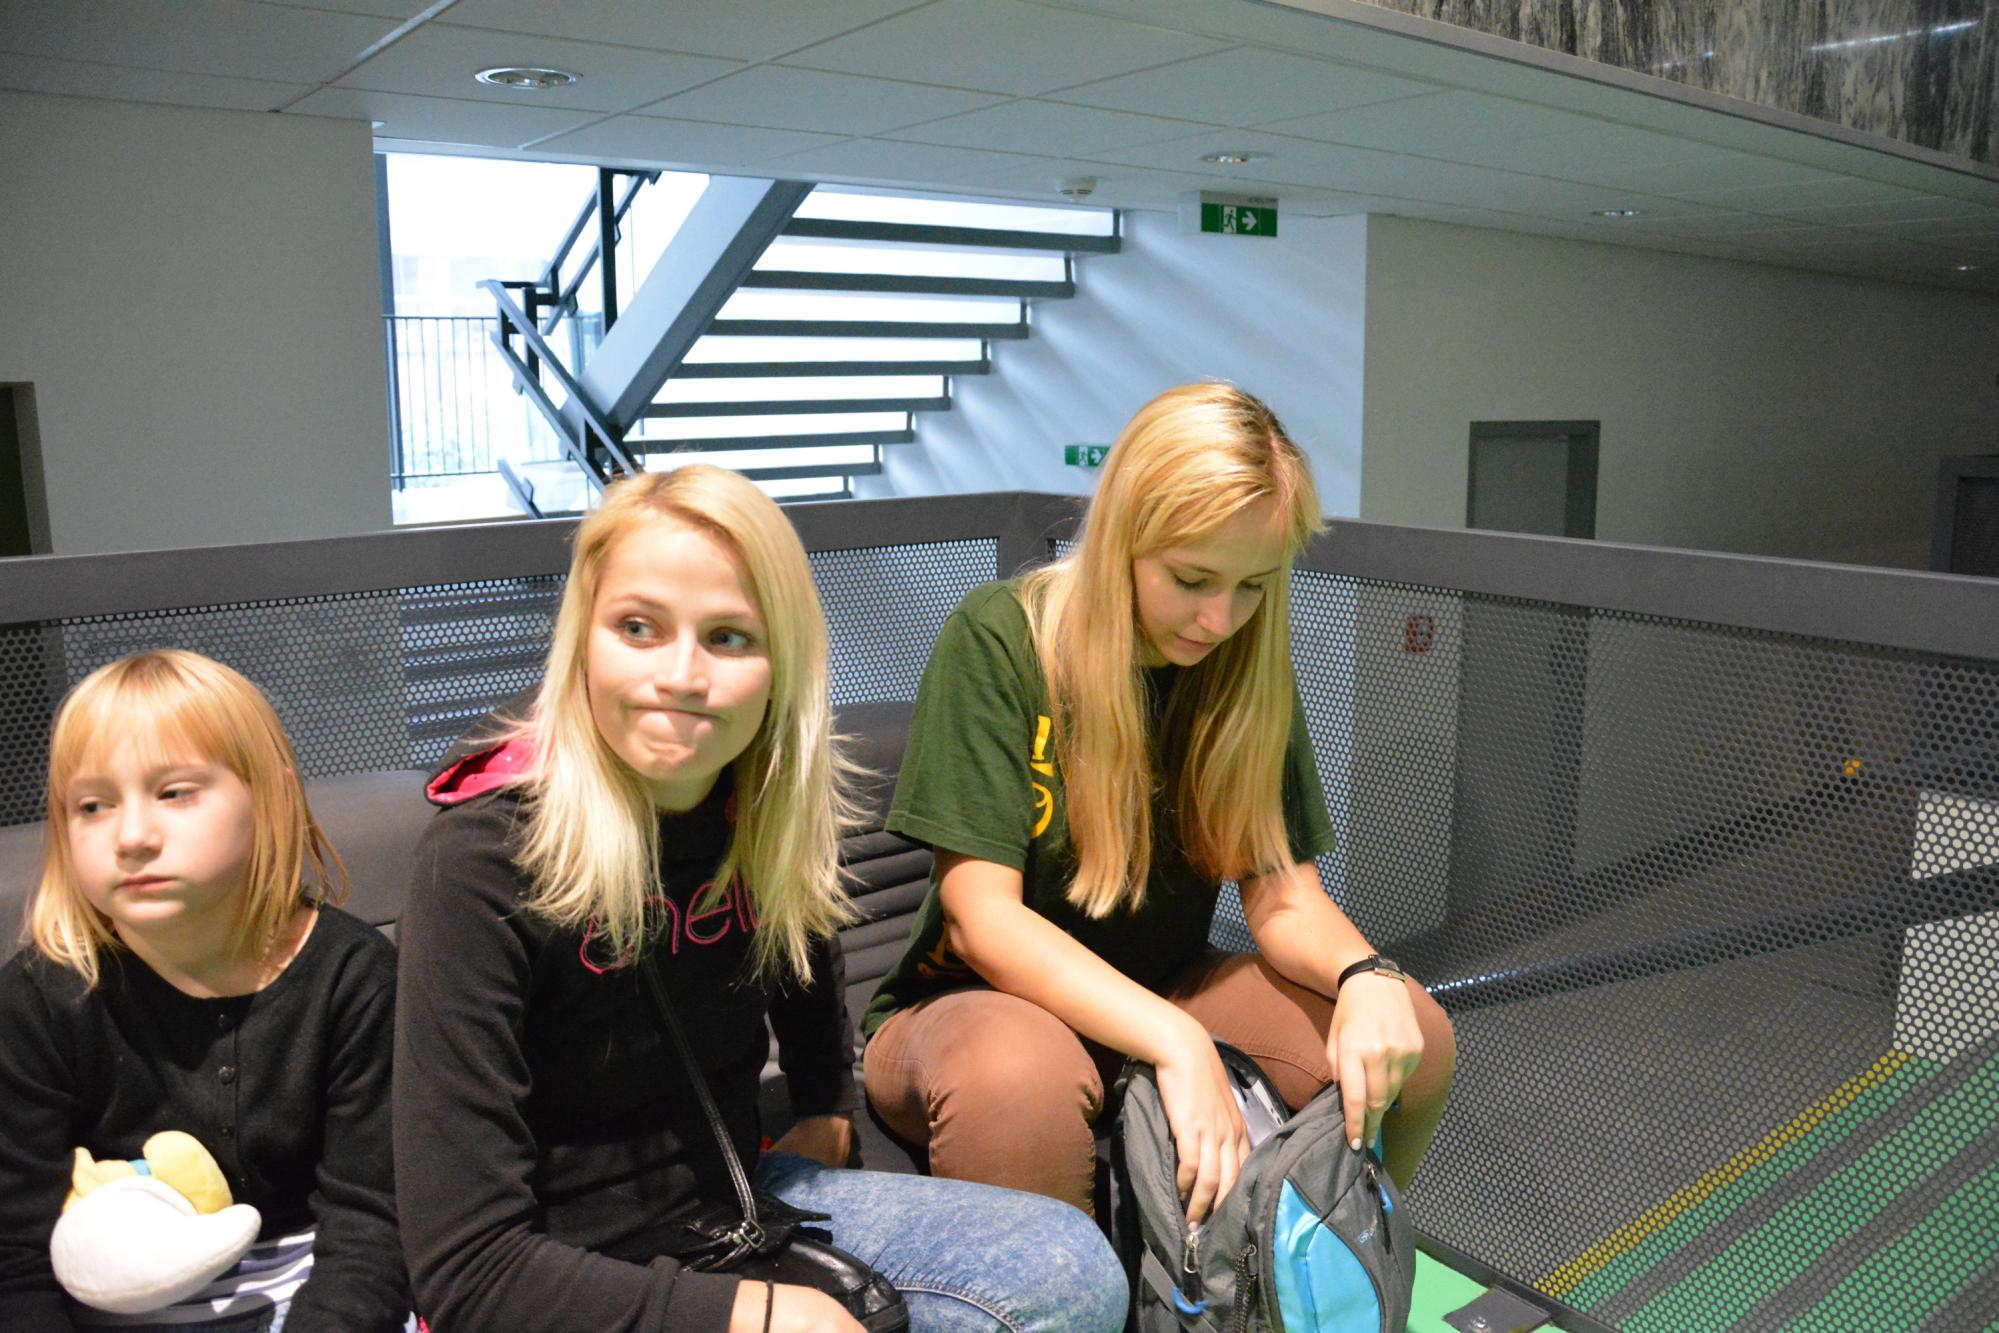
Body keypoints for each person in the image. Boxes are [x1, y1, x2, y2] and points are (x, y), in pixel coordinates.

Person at [393, 465, 1126, 1333]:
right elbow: (467, 1271)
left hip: (732, 1209)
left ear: (782, 664)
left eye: (729, 637)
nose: (681, 674)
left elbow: (801, 946)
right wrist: (758, 1317)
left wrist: (824, 1101)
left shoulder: (758, 807)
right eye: (637, 627)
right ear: (582, 640)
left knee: (1067, 1270)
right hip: (553, 1272)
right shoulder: (482, 859)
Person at [863, 383, 1458, 1223]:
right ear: (1124, 538)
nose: (1219, 619)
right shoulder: (1002, 636)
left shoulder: (1242, 670)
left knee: (1411, 1037)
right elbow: (980, 921)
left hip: (1165, 982)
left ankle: (1289, 1273)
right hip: (973, 1003)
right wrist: (1174, 1039)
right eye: (1191, 578)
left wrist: (1366, 975)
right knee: (1016, 1080)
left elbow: (1284, 897)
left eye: (1252, 586)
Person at [0, 651, 408, 1331]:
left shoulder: (355, 978)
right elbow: (16, 1255)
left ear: (269, 797)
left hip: (318, 1288)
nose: (132, 836)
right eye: (93, 805)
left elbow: (372, 1229)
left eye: (175, 792)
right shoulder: (39, 1000)